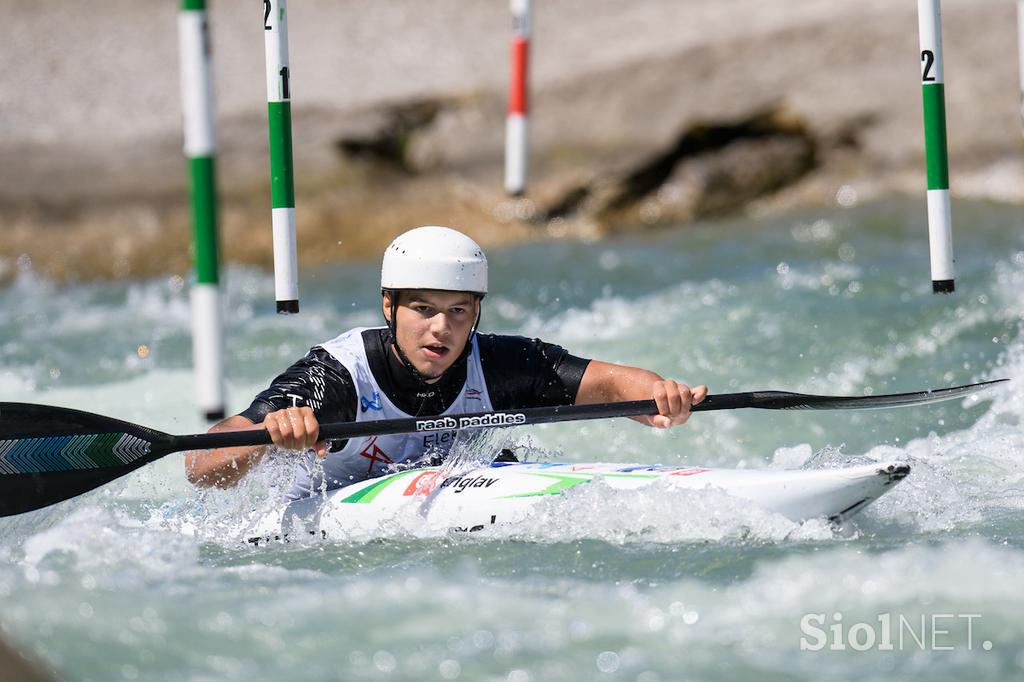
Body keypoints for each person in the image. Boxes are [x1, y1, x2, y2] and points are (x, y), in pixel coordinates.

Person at [185, 226, 707, 500]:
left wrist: (659, 394)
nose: (441, 329)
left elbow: (615, 385)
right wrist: (267, 435)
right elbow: (200, 466)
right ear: (388, 306)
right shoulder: (334, 376)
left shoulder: (502, 361)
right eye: (423, 309)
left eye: (458, 311)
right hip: (321, 518)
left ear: (477, 311)